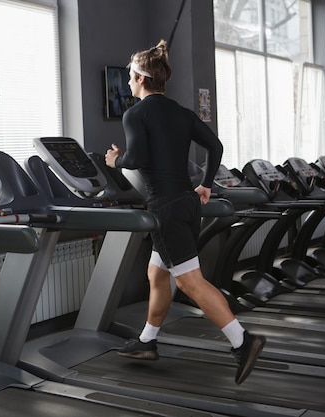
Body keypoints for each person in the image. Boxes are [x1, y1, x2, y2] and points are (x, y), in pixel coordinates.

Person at [104, 39, 265, 385]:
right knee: (157, 273)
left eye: (131, 77)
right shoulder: (182, 113)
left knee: (190, 281)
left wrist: (115, 160)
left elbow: (138, 159)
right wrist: (206, 184)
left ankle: (243, 341)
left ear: (142, 79)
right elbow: (216, 146)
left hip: (165, 207)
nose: (129, 83)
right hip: (189, 204)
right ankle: (147, 341)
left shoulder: (135, 114)